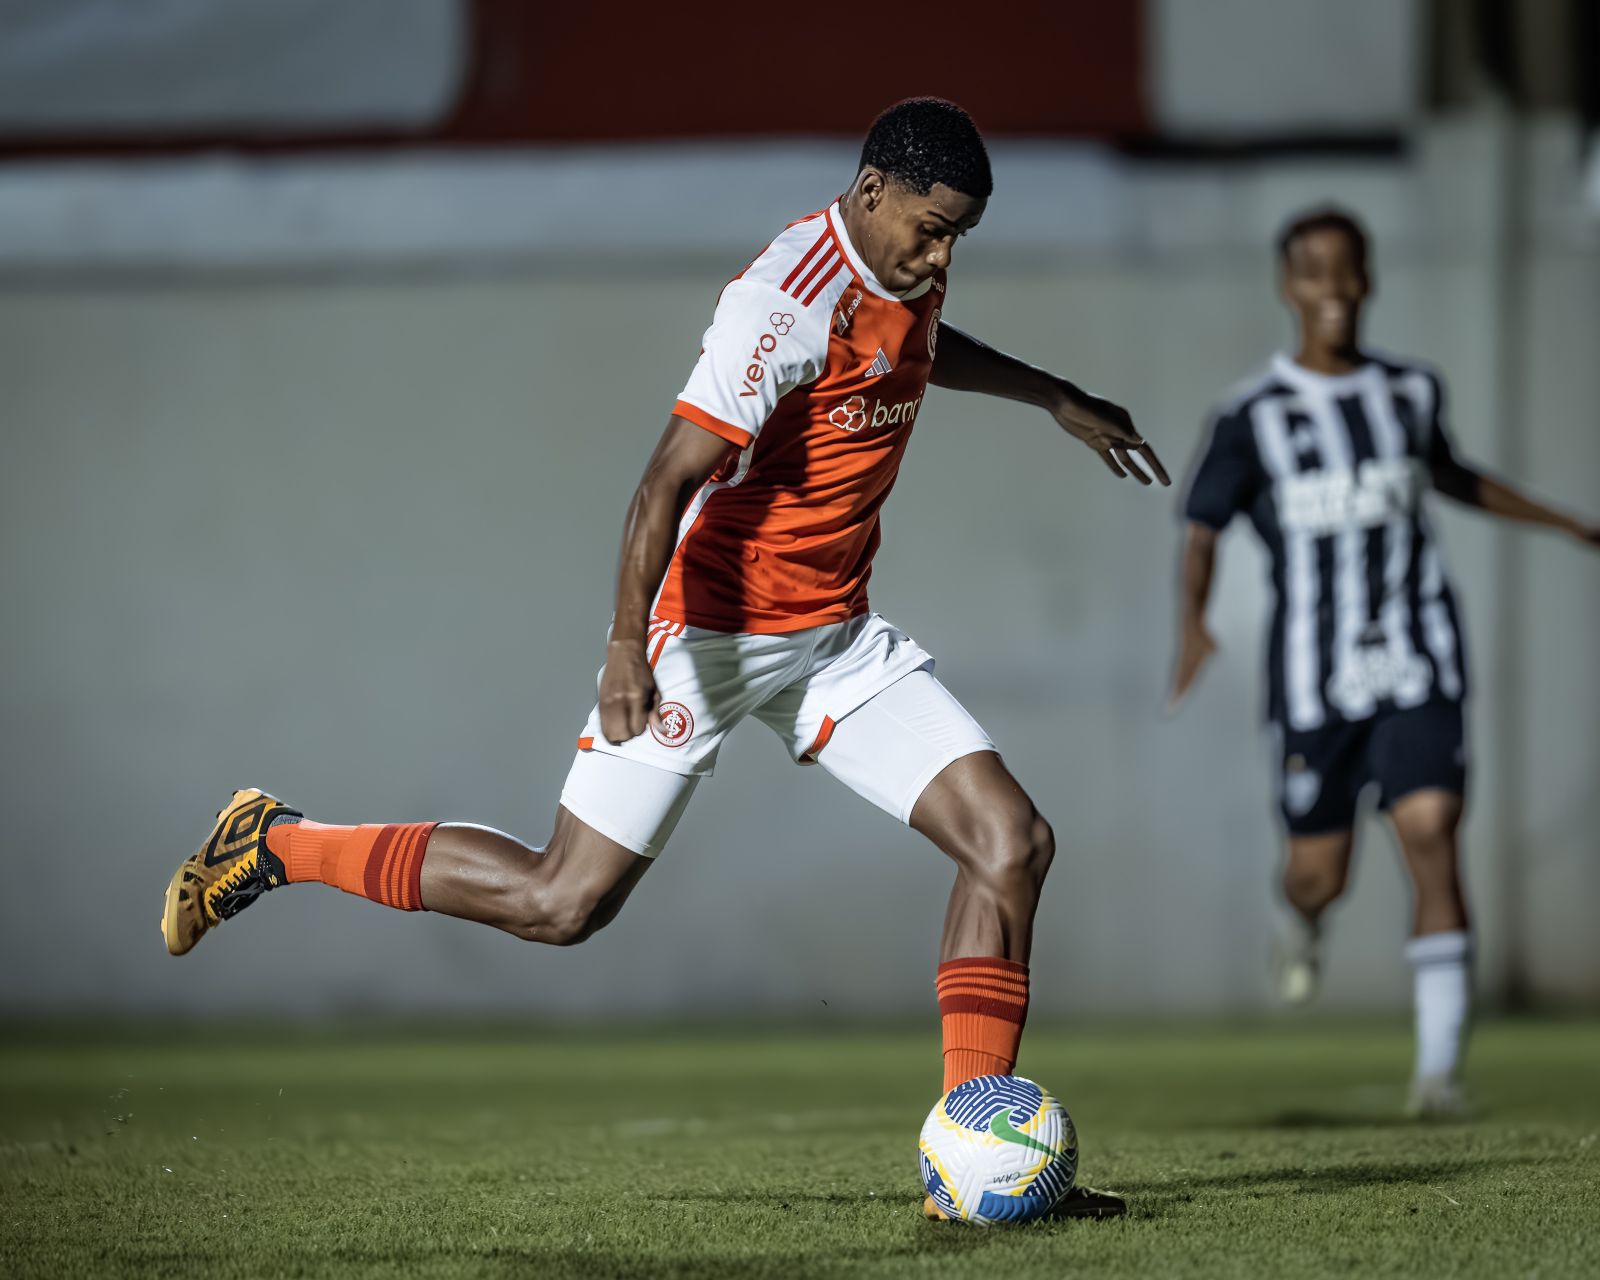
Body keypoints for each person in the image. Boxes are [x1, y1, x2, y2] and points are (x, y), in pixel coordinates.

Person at [162, 98, 1170, 1214]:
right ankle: (277, 841)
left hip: (833, 638)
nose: (939, 254)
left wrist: (1053, 397)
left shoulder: (905, 272)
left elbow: (912, 350)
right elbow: (664, 481)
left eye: (958, 239)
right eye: (929, 229)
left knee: (1009, 842)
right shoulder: (780, 305)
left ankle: (968, 1163)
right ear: (872, 188)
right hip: (707, 637)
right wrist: (623, 649)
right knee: (561, 902)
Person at [1170, 206, 1599, 1116]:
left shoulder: (1410, 392)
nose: (1335, 288)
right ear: (1289, 287)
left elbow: (1451, 473)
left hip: (1418, 660)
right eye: (1315, 271)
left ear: (1368, 279)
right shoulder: (1252, 418)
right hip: (1315, 686)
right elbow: (1201, 526)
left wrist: (1564, 522)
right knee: (1319, 873)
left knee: (1433, 833)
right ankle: (1300, 920)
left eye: (1349, 269)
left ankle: (1439, 1076)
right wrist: (1193, 624)